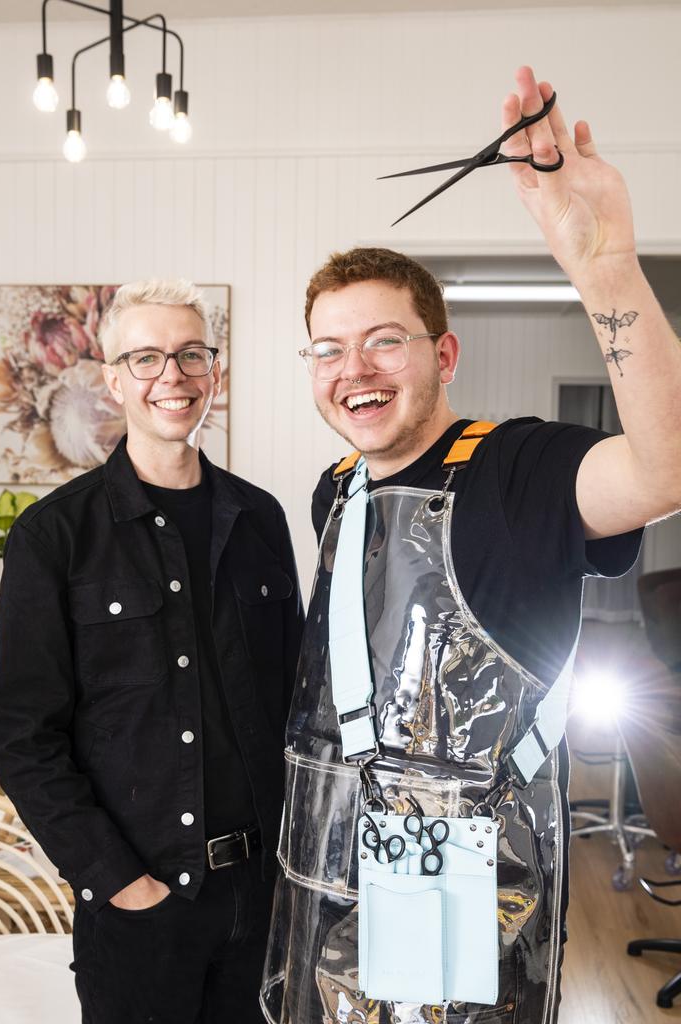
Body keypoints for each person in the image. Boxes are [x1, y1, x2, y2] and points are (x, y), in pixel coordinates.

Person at [260, 67, 681, 1024]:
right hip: (323, 841)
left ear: (443, 356)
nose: (353, 371)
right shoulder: (339, 487)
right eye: (327, 349)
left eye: (384, 342)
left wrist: (605, 267)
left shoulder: (518, 470)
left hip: (452, 864)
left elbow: (666, 467)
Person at [0, 278, 303, 1023]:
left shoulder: (261, 518)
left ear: (215, 374)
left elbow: (297, 700)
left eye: (192, 355)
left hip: (263, 896)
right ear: (114, 380)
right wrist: (120, 881)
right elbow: (24, 738)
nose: (174, 376)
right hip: (141, 907)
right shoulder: (53, 537)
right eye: (148, 358)